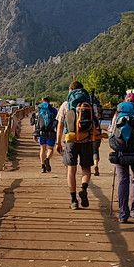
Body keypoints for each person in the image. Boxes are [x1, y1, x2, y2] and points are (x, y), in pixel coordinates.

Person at [55, 80, 99, 209]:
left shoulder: (65, 104)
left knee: (71, 170)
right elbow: (95, 123)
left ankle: (73, 200)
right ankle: (84, 189)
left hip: (71, 140)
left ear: (70, 90)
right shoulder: (91, 104)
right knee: (86, 169)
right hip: (87, 140)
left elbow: (60, 125)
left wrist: (58, 142)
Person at [109, 91, 134, 222]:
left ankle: (123, 214)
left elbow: (112, 133)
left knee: (123, 180)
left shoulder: (117, 115)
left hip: (121, 152)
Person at [32, 96, 57, 173]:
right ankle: (47, 159)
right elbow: (57, 122)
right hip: (51, 132)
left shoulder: (39, 110)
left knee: (42, 149)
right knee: (50, 149)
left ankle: (43, 166)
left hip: (41, 132)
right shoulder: (54, 110)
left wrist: (35, 134)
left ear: (42, 101)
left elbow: (36, 123)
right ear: (49, 102)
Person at [90, 91, 104, 176]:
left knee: (87, 149)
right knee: (95, 149)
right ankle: (96, 165)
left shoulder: (84, 104)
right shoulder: (96, 105)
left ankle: (87, 168)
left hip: (86, 129)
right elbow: (99, 116)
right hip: (97, 127)